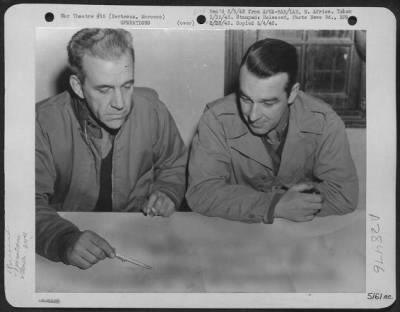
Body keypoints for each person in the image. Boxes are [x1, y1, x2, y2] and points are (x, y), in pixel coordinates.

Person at [36, 28, 187, 269]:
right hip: (70, 245)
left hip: (139, 239)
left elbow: (175, 165)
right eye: (104, 89)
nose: (120, 103)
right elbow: (22, 203)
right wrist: (62, 239)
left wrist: (168, 192)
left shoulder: (152, 109)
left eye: (127, 86)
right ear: (77, 85)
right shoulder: (42, 122)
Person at [187, 38, 358, 224]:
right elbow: (200, 193)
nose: (252, 115)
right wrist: (273, 205)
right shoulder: (216, 118)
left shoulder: (324, 121)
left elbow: (343, 195)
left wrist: (291, 204)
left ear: (292, 93)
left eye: (267, 103)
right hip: (236, 232)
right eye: (245, 98)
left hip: (297, 235)